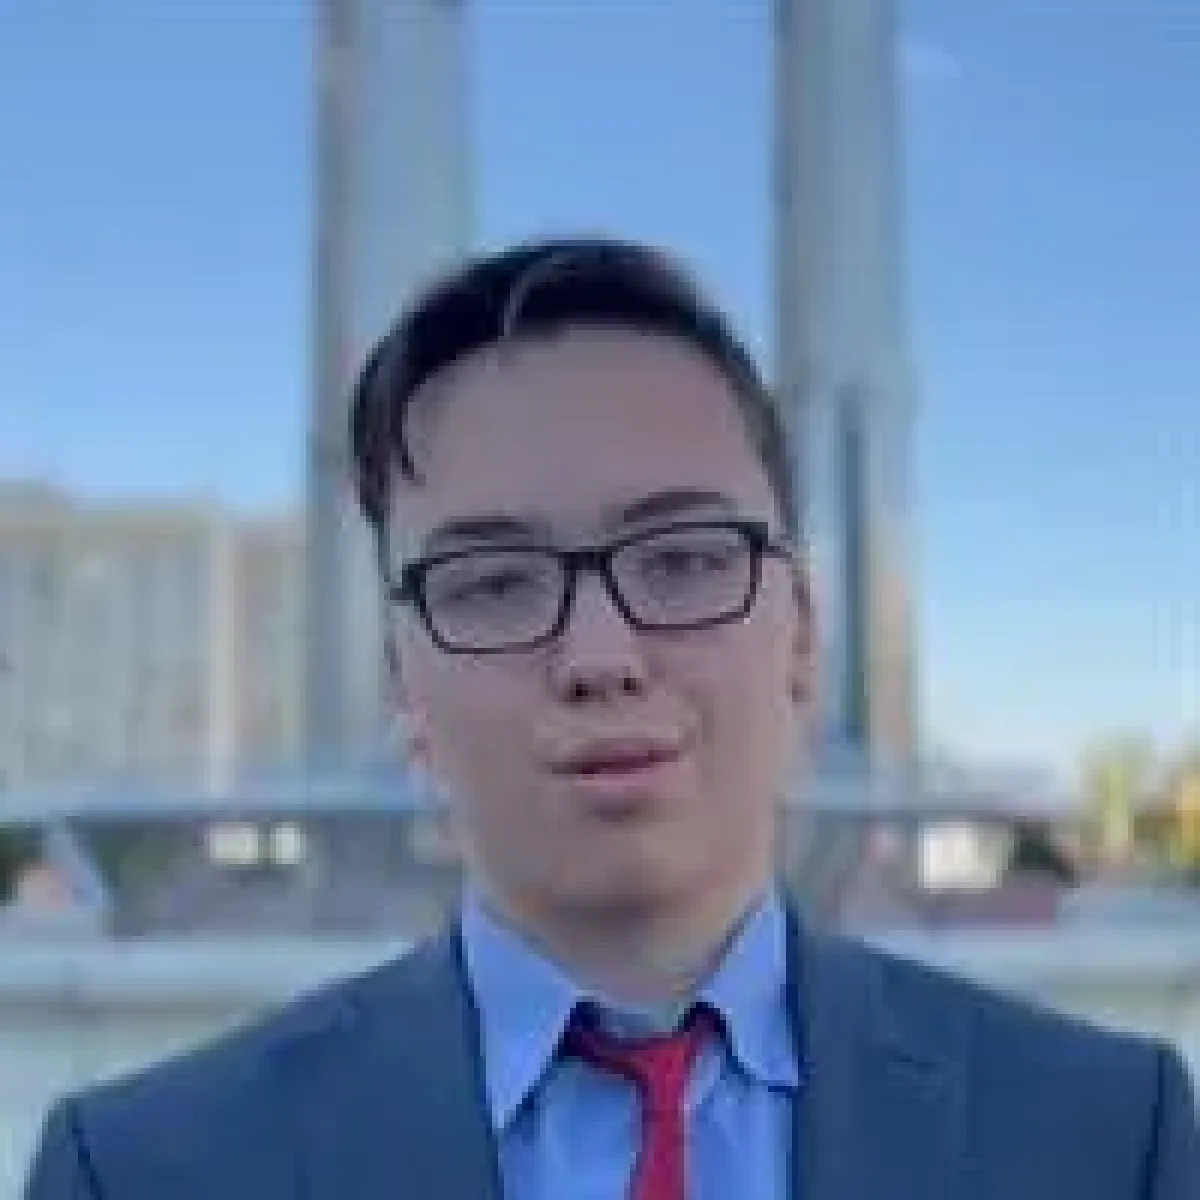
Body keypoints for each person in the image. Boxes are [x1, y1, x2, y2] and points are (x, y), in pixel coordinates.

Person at [24, 236, 1198, 1199]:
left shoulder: (1106, 1139)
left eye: (682, 558)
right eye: (494, 582)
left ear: (799, 631)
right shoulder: (142, 1173)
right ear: (404, 686)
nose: (599, 658)